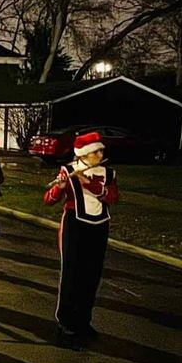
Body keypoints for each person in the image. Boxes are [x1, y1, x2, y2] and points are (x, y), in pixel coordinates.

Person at [44, 131, 118, 347]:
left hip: (99, 225)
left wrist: (89, 183)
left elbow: (112, 197)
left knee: (92, 275)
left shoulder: (108, 173)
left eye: (101, 151)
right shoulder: (68, 170)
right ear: (84, 154)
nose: (100, 155)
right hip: (75, 225)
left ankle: (84, 320)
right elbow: (48, 200)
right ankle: (65, 320)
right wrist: (59, 187)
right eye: (96, 152)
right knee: (71, 274)